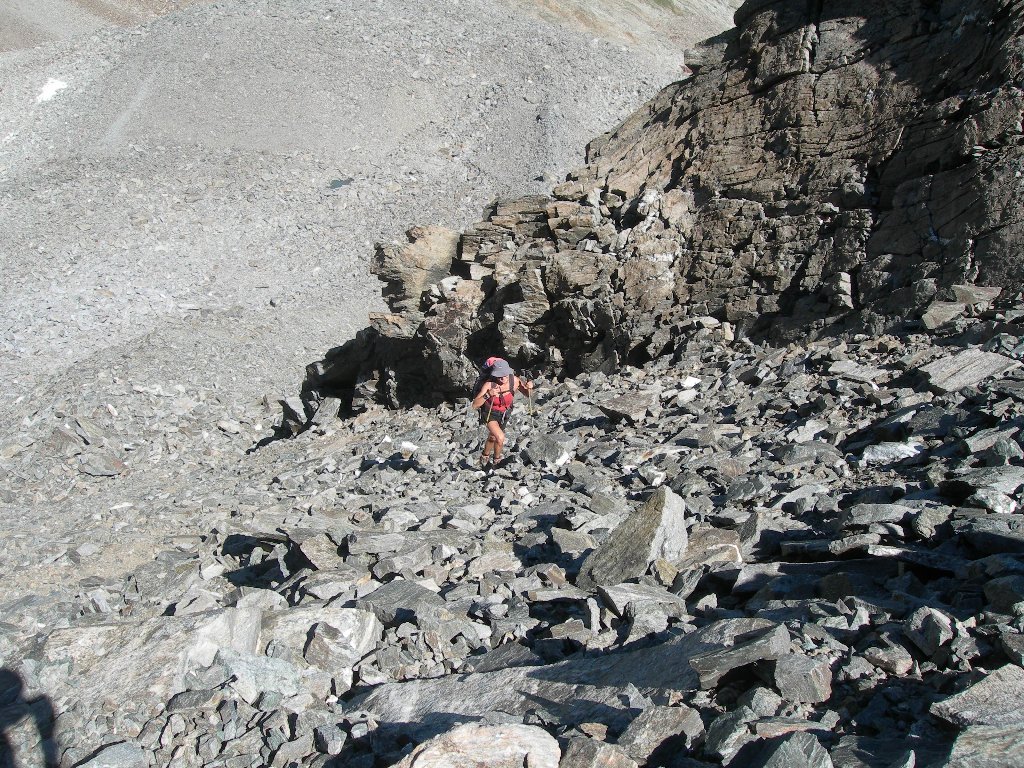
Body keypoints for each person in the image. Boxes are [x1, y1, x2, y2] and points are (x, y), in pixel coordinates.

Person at [471, 357, 533, 469]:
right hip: (490, 413)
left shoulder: (515, 381)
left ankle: (484, 456)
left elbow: (528, 395)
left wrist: (529, 388)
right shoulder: (489, 385)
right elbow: (475, 405)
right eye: (499, 375)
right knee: (500, 437)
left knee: (493, 437)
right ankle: (497, 462)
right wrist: (488, 395)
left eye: (504, 374)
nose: (502, 378)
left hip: (505, 413)